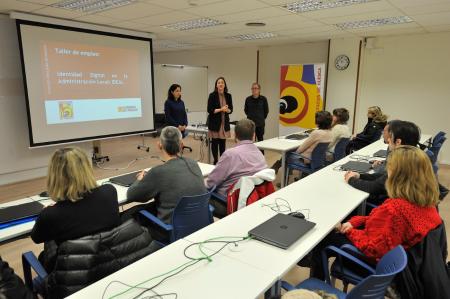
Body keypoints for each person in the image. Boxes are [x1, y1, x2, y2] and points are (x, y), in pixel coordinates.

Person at [309, 145, 442, 280]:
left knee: (325, 239)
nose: (386, 172)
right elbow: (380, 221)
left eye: (389, 168)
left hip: (380, 267)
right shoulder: (427, 202)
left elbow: (373, 249)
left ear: (397, 174)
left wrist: (348, 230)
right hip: (406, 262)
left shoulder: (395, 209)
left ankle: (315, 285)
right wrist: (353, 222)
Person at [31, 147, 121, 269]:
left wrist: (49, 211)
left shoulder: (50, 214)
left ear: (55, 175)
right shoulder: (109, 192)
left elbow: (36, 238)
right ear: (86, 169)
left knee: (43, 254)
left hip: (73, 274)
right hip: (111, 260)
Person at [126, 126, 206, 242]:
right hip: (199, 224)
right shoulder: (193, 163)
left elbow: (132, 195)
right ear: (181, 144)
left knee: (128, 215)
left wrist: (139, 179)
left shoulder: (158, 172)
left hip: (170, 231)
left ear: (159, 145)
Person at [344, 120, 420, 206]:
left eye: (390, 137)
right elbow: (383, 178)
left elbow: (374, 187)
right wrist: (360, 175)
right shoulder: (414, 157)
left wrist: (351, 180)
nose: (388, 140)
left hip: (386, 207)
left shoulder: (401, 164)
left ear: (398, 142)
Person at [206, 119, 267, 216]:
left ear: (235, 135)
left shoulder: (230, 154)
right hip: (252, 200)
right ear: (254, 135)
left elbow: (211, 183)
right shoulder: (260, 154)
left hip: (227, 203)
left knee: (197, 195)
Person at [207, 77, 233, 165]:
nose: (220, 84)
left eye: (222, 82)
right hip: (215, 123)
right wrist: (221, 109)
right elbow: (210, 110)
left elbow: (231, 110)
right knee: (215, 143)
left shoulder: (228, 96)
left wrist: (227, 110)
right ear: (216, 85)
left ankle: (222, 161)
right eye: (219, 83)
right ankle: (215, 160)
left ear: (224, 85)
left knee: (222, 143)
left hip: (224, 123)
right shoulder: (212, 95)